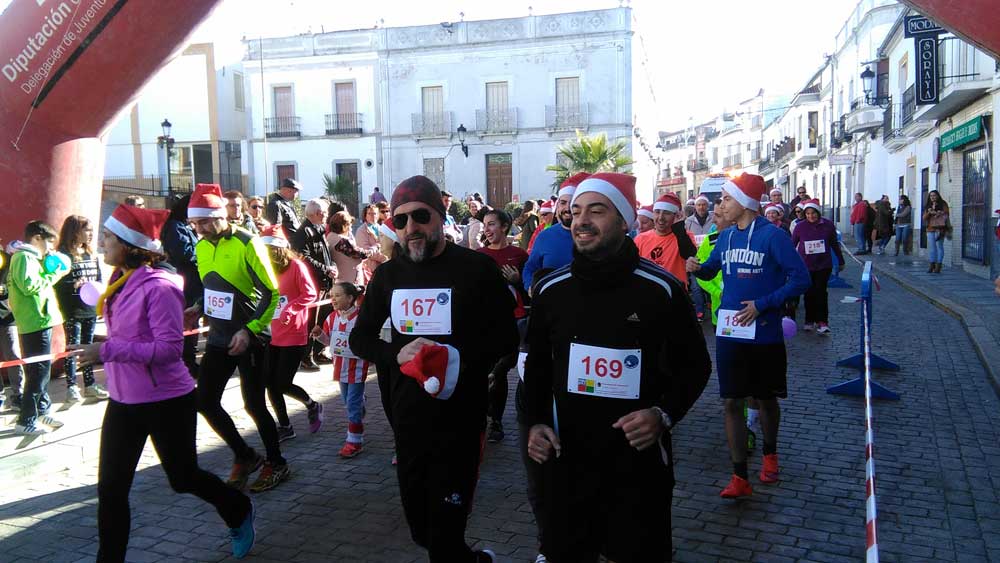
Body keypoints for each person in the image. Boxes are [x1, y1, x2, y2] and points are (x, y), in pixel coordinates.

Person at [524, 172, 711, 562]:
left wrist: (663, 414)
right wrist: (536, 422)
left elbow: (694, 366)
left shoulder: (660, 290)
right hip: (567, 466)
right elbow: (537, 368)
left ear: (625, 221)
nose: (581, 220)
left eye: (597, 211)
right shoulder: (550, 290)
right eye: (575, 211)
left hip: (636, 468)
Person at [71, 204, 256, 561]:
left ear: (128, 244)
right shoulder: (119, 280)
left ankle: (238, 509)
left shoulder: (159, 287)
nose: (102, 243)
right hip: (124, 402)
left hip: (167, 401)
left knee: (183, 478)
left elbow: (169, 349)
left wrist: (106, 351)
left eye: (108, 237)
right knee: (111, 490)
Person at [349, 175, 518, 562]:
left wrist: (454, 355)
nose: (411, 228)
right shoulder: (388, 276)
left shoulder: (477, 269)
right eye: (400, 221)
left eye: (421, 216)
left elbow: (507, 341)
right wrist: (399, 353)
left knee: (442, 539)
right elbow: (361, 340)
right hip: (406, 418)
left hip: (460, 420)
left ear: (440, 217)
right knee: (422, 532)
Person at [686, 173, 810, 499]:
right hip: (729, 331)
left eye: (726, 198)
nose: (720, 204)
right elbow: (712, 269)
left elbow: (801, 279)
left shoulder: (774, 237)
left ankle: (770, 454)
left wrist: (763, 305)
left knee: (765, 399)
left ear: (744, 203)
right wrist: (697, 267)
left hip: (764, 333)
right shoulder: (724, 237)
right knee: (731, 401)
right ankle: (739, 475)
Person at [185, 183, 289, 493]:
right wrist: (198, 306)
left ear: (221, 215)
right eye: (195, 223)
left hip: (251, 336)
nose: (200, 228)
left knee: (254, 405)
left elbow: (272, 293)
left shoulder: (247, 242)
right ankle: (245, 455)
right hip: (219, 337)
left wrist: (250, 330)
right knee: (204, 401)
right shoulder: (201, 246)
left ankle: (277, 462)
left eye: (205, 221)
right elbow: (213, 285)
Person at [262, 225, 323, 442]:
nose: (265, 255)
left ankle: (312, 405)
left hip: (293, 332)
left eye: (268, 251)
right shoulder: (265, 268)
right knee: (270, 382)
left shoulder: (296, 266)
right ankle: (286, 426)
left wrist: (291, 308)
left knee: (283, 382)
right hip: (272, 332)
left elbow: (310, 294)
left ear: (278, 250)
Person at [9, 220, 70, 435]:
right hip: (34, 322)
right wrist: (54, 274)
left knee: (41, 371)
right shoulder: (23, 257)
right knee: (37, 373)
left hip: (42, 320)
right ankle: (25, 420)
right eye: (48, 243)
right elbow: (29, 286)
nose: (50, 249)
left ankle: (42, 410)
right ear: (36, 238)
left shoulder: (32, 258)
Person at [477, 209, 529, 444]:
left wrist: (517, 282)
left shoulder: (519, 254)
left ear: (505, 227)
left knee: (500, 371)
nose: (486, 230)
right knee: (486, 371)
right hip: (485, 323)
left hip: (513, 321)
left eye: (491, 225)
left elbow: (529, 292)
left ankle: (496, 421)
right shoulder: (478, 256)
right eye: (485, 225)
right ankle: (486, 417)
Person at [312, 281, 371, 458]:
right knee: (348, 403)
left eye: (338, 295)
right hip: (339, 368)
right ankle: (360, 403)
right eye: (331, 295)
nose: (333, 299)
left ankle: (354, 441)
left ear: (350, 298)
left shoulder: (362, 318)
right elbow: (329, 341)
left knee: (351, 406)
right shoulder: (331, 318)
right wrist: (319, 335)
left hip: (358, 368)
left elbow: (369, 340)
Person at [55, 215, 108, 401]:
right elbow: (57, 282)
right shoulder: (63, 255)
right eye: (87, 230)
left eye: (92, 230)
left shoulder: (91, 254)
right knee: (74, 346)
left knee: (88, 346)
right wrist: (74, 283)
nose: (91, 234)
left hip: (91, 308)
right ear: (75, 232)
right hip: (73, 309)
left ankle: (90, 384)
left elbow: (99, 279)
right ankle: (71, 386)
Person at [523, 173, 589, 291]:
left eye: (573, 202)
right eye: (563, 202)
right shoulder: (544, 236)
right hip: (550, 305)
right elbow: (530, 267)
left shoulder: (598, 237)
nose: (567, 208)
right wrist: (531, 287)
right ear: (558, 206)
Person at [161, 195, 202, 380]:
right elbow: (184, 252)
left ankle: (190, 360)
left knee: (192, 324)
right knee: (187, 323)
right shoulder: (174, 226)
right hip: (185, 281)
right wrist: (203, 252)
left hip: (193, 281)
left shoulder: (185, 226)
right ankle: (187, 363)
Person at [292, 198, 335, 372]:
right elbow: (304, 259)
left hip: (324, 283)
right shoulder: (303, 232)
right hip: (313, 285)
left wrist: (330, 269)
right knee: (311, 321)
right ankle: (306, 356)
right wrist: (326, 269)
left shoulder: (318, 229)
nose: (326, 216)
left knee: (322, 319)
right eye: (325, 213)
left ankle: (318, 351)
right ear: (318, 214)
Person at [791, 200, 845, 334]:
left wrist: (840, 260)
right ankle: (809, 320)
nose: (811, 216)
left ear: (818, 213)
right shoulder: (800, 227)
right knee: (809, 293)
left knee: (820, 292)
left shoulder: (827, 225)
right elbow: (792, 245)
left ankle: (822, 321)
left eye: (813, 213)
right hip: (806, 265)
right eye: (808, 214)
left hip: (823, 265)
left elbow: (834, 243)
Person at [634, 192, 698, 284]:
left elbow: (688, 254)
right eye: (657, 212)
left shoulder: (684, 236)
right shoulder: (640, 239)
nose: (660, 217)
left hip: (675, 294)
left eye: (666, 213)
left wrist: (679, 226)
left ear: (677, 215)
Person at [0, 241, 24, 408]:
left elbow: (14, 286)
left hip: (7, 316)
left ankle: (19, 395)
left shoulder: (8, 260)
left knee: (14, 355)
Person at [695, 206, 729, 325]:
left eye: (718, 216)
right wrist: (717, 292)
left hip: (749, 314)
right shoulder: (710, 240)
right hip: (719, 314)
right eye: (714, 215)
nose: (713, 220)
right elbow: (700, 274)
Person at [685, 195, 715, 321]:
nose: (701, 207)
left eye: (704, 205)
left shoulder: (713, 218)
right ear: (695, 207)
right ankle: (699, 311)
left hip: (710, 257)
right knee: (696, 286)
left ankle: (712, 304)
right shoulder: (688, 221)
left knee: (710, 283)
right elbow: (685, 238)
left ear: (707, 206)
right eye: (699, 205)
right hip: (695, 257)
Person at [327, 210, 376, 286]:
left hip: (343, 281)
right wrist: (374, 248)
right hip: (347, 284)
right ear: (344, 225)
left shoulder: (331, 236)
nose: (351, 228)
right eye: (349, 225)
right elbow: (361, 254)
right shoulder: (341, 241)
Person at [356, 204, 387, 283]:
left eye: (375, 213)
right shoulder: (362, 230)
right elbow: (365, 250)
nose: (373, 216)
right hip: (370, 268)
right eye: (370, 213)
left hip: (383, 267)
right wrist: (384, 258)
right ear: (365, 215)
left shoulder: (381, 228)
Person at [923, 190, 950, 273]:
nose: (932, 197)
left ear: (938, 196)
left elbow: (946, 215)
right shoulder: (928, 205)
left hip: (940, 228)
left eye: (934, 195)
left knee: (939, 247)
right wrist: (929, 212)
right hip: (930, 228)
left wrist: (939, 213)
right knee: (932, 248)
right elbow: (924, 218)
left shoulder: (943, 204)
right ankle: (932, 265)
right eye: (931, 196)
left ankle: (939, 265)